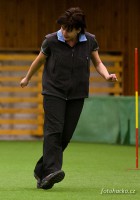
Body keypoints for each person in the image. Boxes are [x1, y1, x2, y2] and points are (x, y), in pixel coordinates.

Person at [20, 7, 117, 190]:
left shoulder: (89, 41)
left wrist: (106, 75)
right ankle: (51, 171)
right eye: (63, 28)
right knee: (54, 131)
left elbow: (97, 62)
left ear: (79, 29)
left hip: (77, 93)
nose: (64, 32)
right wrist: (27, 78)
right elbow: (39, 61)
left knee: (65, 136)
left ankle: (41, 170)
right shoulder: (51, 40)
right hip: (53, 91)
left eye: (69, 29)